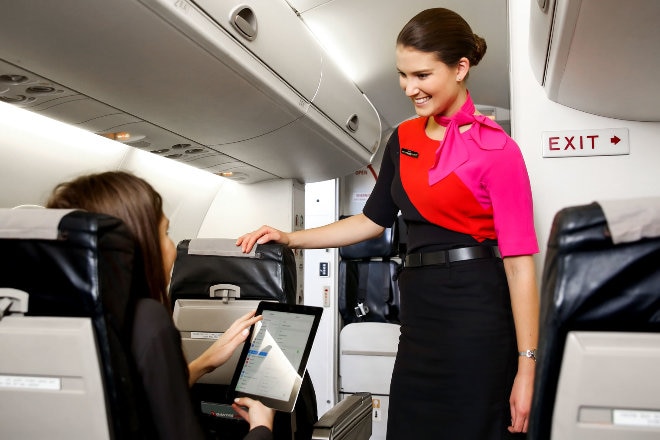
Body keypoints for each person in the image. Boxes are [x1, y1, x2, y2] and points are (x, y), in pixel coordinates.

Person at [237, 7, 539, 440]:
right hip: (419, 317)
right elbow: (370, 221)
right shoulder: (404, 138)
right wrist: (289, 238)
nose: (409, 88)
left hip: (476, 314)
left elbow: (519, 264)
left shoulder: (498, 150)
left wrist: (527, 366)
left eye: (421, 75)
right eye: (402, 75)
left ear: (460, 68)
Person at [46, 170, 275, 440]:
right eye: (165, 232)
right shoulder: (147, 319)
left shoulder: (54, 315)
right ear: (137, 243)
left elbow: (123, 406)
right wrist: (262, 427)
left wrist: (204, 362)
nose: (170, 247)